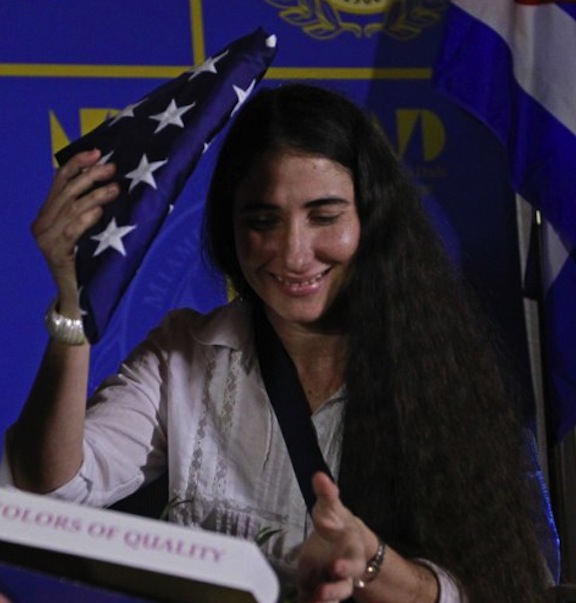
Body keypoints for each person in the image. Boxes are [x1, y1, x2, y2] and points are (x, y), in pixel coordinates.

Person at [1, 83, 553, 602]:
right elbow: (50, 491)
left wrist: (371, 564)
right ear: (229, 228)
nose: (293, 253)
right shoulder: (185, 352)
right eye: (263, 220)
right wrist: (75, 301)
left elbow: (486, 588)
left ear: (373, 219)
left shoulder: (436, 364)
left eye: (324, 216)